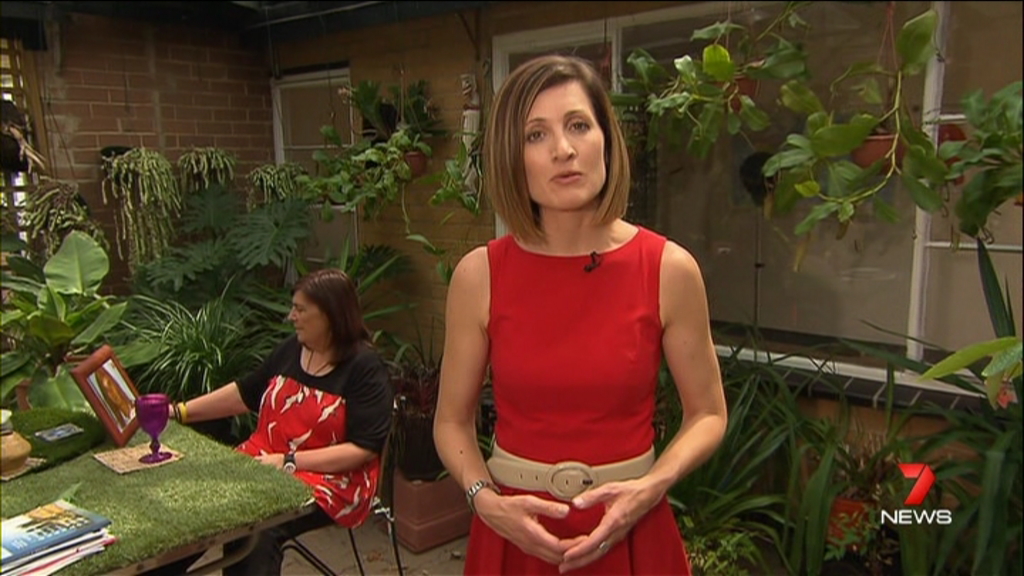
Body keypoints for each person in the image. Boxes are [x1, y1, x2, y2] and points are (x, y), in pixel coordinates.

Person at [433, 55, 729, 575]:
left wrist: (651, 486)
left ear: (606, 141)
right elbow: (451, 422)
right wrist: (485, 500)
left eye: (578, 125)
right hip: (513, 539)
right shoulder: (480, 276)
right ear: (511, 156)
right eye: (536, 134)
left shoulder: (669, 269)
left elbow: (708, 413)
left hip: (633, 533)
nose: (563, 150)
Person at [155, 268, 394, 576]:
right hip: (267, 459)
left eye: (300, 309)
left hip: (334, 478)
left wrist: (289, 461)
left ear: (330, 315)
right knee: (202, 502)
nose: (291, 316)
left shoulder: (365, 368)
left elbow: (363, 449)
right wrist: (179, 412)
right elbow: (246, 393)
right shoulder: (293, 349)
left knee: (258, 526)